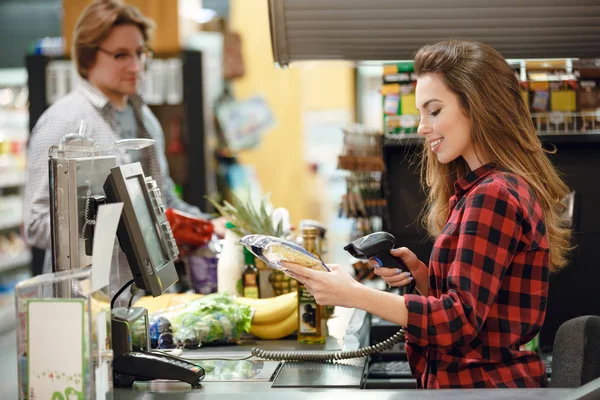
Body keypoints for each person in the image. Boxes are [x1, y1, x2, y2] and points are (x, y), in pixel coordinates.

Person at [283, 40, 572, 389]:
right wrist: (422, 277)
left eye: (434, 111)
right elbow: (483, 308)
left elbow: (459, 321)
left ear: (478, 106)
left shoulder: (492, 195)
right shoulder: (485, 190)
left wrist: (353, 294)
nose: (422, 127)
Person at [24, 0, 225, 276]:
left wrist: (209, 225)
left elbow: (163, 199)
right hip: (88, 300)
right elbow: (35, 224)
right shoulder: (62, 121)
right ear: (88, 56)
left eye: (141, 53)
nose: (136, 66)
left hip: (149, 289)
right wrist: (123, 233)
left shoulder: (147, 120)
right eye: (121, 55)